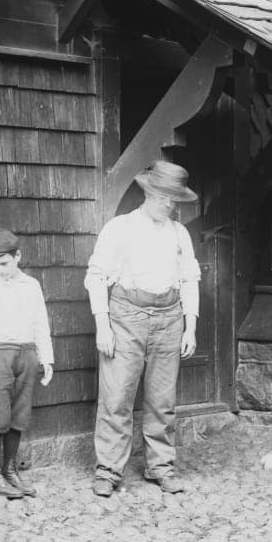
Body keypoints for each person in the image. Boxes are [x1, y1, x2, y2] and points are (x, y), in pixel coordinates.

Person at [84, 160, 201, 497]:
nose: (170, 205)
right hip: (126, 316)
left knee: (162, 399)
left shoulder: (180, 234)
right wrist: (102, 326)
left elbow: (189, 280)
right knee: (116, 395)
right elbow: (95, 277)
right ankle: (108, 470)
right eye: (164, 198)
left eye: (174, 200)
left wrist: (189, 327)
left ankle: (160, 466)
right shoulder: (120, 228)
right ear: (149, 193)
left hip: (169, 318)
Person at [0, 229, 54, 499]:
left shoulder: (31, 286)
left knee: (19, 415)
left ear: (18, 256)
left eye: (4, 264)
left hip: (27, 354)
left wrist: (47, 358)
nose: (0, 270)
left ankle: (9, 469)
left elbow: (41, 322)